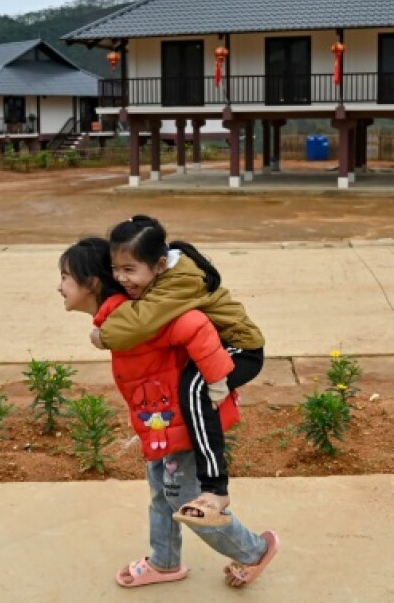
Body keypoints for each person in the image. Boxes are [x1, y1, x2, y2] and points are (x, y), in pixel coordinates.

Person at [60, 238, 280, 589]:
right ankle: (164, 562)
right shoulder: (120, 317)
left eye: (66, 276)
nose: (60, 286)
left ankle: (254, 550)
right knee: (162, 492)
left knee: (184, 499)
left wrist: (217, 378)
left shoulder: (132, 317)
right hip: (161, 425)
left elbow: (194, 323)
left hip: (185, 425)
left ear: (92, 283)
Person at [91, 215, 265, 528]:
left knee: (195, 390)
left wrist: (102, 335)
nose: (121, 278)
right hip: (209, 349)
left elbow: (140, 322)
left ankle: (216, 489)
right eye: (115, 268)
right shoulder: (161, 275)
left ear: (158, 265)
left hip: (239, 348)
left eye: (129, 269)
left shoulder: (179, 281)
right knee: (188, 389)